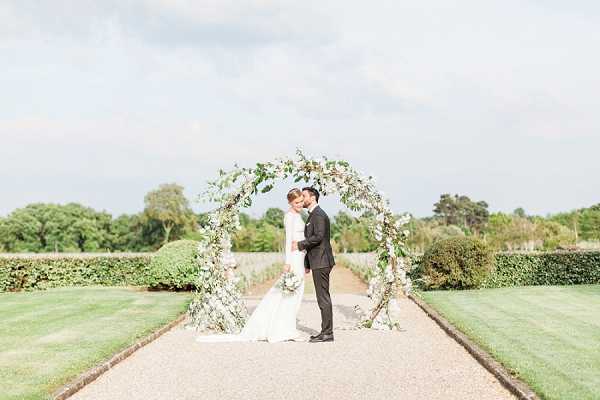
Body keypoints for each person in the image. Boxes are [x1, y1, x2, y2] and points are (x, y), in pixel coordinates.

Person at [196, 188, 307, 343]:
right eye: (296, 202)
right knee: (290, 292)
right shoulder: (289, 217)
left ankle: (286, 326)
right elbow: (288, 241)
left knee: (295, 293)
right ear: (290, 202)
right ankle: (283, 329)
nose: (300, 204)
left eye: (301, 201)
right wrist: (287, 262)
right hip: (294, 259)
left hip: (300, 257)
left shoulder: (299, 215)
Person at [292, 187, 335, 343]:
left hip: (322, 261)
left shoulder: (318, 215)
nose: (302, 199)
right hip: (317, 260)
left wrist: (299, 245)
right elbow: (316, 240)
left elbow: (318, 237)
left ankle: (327, 333)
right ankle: (325, 331)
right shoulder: (312, 215)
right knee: (321, 297)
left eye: (304, 196)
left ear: (313, 197)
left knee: (323, 297)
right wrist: (307, 263)